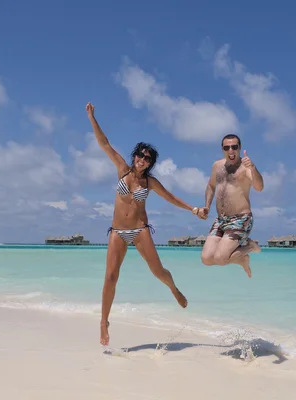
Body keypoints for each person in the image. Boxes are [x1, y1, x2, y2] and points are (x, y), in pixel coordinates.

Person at [86, 102, 208, 346]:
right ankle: (103, 322)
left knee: (158, 272)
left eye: (147, 158)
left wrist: (193, 209)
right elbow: (104, 143)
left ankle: (173, 289)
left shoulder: (150, 183)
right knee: (110, 277)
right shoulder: (122, 170)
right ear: (134, 156)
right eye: (140, 155)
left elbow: (171, 198)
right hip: (118, 232)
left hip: (140, 231)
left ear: (150, 163)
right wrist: (91, 117)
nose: (142, 159)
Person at [200, 134, 264, 278]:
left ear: (239, 148)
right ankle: (242, 257)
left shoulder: (245, 168)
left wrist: (253, 168)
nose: (231, 150)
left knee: (220, 258)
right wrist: (207, 206)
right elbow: (211, 186)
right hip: (221, 220)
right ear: (222, 149)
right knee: (206, 259)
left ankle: (249, 247)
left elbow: (259, 187)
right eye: (227, 147)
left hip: (240, 219)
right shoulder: (217, 166)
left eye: (234, 147)